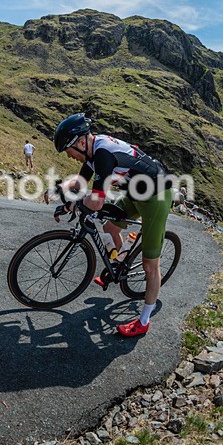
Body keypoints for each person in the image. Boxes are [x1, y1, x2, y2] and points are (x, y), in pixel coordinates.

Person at [50, 113, 173, 337]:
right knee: (110, 228)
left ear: (79, 142)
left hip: (157, 196)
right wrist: (62, 195)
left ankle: (144, 321)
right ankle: (119, 262)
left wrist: (74, 204)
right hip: (136, 193)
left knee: (149, 265)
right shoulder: (91, 152)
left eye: (69, 152)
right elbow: (80, 183)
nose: (70, 157)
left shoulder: (103, 154)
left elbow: (95, 202)